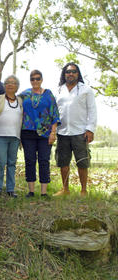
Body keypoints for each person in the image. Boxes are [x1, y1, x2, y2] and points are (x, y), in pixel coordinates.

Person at [54, 62, 97, 197]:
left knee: (82, 162)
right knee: (63, 162)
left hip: (80, 132)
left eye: (73, 71)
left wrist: (90, 129)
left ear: (78, 74)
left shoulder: (86, 90)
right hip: (62, 132)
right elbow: (54, 111)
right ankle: (65, 189)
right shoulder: (58, 90)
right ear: (64, 74)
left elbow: (92, 110)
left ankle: (83, 190)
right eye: (68, 72)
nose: (70, 74)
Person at [19, 70, 60, 198]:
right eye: (32, 79)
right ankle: (31, 191)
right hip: (27, 132)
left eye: (37, 79)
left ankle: (43, 192)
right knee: (30, 160)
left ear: (42, 79)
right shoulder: (25, 94)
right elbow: (10, 98)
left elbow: (55, 114)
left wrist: (53, 133)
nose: (35, 81)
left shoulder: (49, 94)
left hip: (45, 133)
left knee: (44, 160)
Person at [0, 75, 23, 198]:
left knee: (12, 163)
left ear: (17, 87)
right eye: (8, 82)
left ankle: (10, 189)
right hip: (0, 135)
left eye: (13, 83)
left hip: (15, 136)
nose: (10, 84)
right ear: (4, 86)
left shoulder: (20, 101)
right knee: (0, 162)